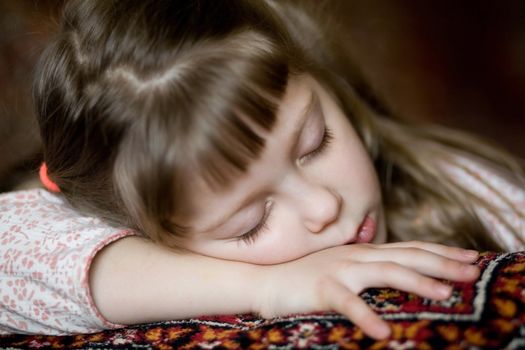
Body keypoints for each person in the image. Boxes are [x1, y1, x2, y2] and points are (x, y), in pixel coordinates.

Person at [1, 0, 524, 339]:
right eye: (250, 222)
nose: (325, 205)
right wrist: (266, 288)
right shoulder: (119, 243)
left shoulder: (464, 189)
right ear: (140, 235)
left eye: (315, 143)